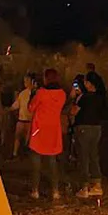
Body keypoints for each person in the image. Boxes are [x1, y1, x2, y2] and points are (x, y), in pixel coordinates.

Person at [27, 68, 67, 199]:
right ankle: (55, 190)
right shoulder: (62, 94)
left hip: (39, 129)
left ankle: (35, 190)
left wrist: (33, 93)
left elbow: (31, 108)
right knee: (52, 160)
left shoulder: (41, 93)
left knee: (36, 160)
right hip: (53, 129)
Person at [73, 69, 108, 197]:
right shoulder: (101, 97)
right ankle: (97, 185)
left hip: (83, 128)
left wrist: (74, 97)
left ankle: (84, 187)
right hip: (97, 128)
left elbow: (73, 112)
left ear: (89, 83)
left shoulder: (84, 97)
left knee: (83, 157)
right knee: (94, 155)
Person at [11, 74, 37, 159]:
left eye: (27, 81)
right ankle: (17, 153)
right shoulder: (24, 93)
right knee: (19, 138)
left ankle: (21, 154)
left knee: (24, 139)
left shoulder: (35, 93)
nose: (25, 83)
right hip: (23, 120)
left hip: (28, 120)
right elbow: (17, 104)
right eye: (24, 81)